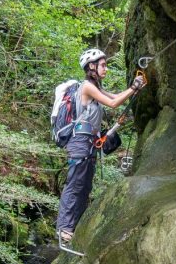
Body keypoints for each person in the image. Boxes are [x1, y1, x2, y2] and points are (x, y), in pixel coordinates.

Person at [57, 48, 146, 245]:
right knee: (75, 184)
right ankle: (64, 229)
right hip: (79, 143)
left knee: (85, 185)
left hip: (88, 144)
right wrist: (133, 87)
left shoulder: (95, 87)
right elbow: (113, 104)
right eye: (103, 65)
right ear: (92, 66)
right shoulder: (87, 87)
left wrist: (134, 88)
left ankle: (75, 227)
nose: (106, 68)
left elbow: (115, 97)